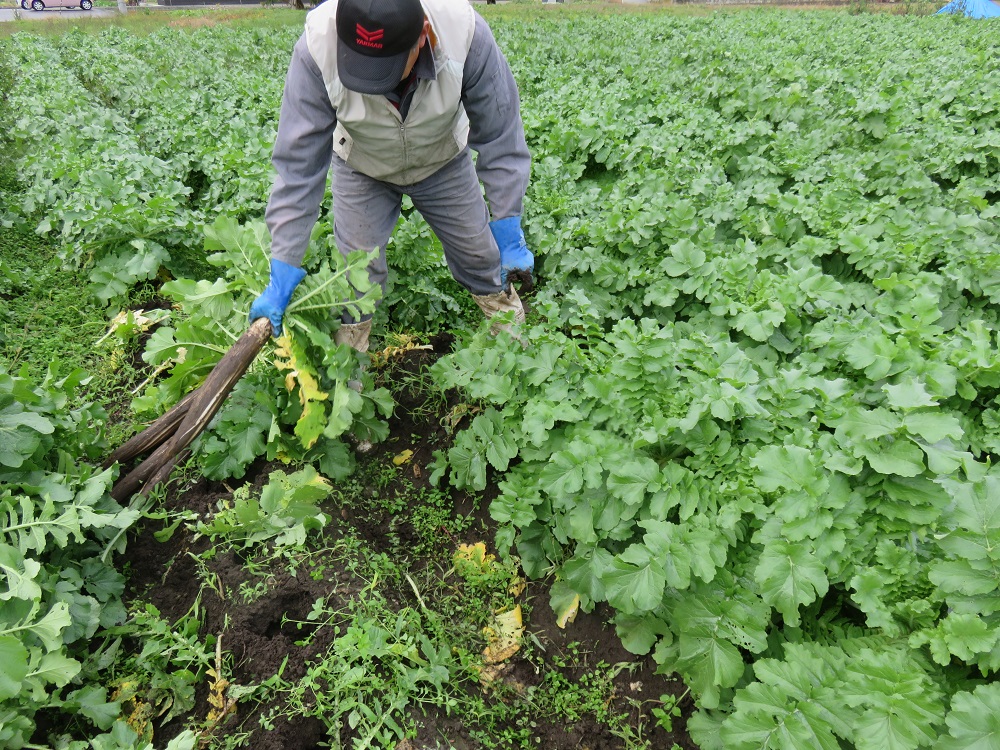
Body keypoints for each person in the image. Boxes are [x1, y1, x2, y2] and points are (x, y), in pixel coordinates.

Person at [250, 0, 533, 357]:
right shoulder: (317, 46)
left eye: (385, 69)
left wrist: (507, 224)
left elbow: (500, 136)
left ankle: (515, 354)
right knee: (356, 276)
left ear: (422, 37)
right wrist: (284, 261)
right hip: (362, 164)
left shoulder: (465, 34)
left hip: (441, 158)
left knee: (480, 257)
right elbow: (298, 168)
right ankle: (347, 380)